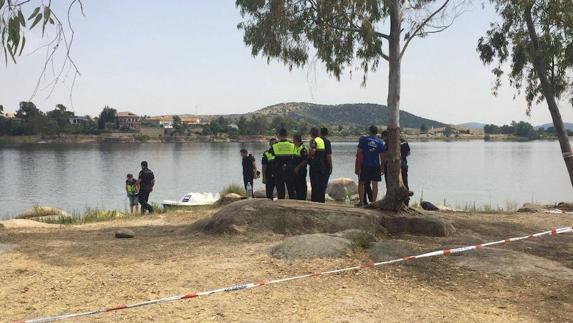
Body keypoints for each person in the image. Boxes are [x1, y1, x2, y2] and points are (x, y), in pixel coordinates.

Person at [356, 126, 386, 206]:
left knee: (361, 182)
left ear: (369, 131)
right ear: (377, 132)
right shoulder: (380, 142)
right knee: (375, 184)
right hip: (375, 165)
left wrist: (357, 166)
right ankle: (373, 203)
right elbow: (382, 157)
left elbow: (359, 153)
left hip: (365, 165)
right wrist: (382, 167)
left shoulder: (363, 140)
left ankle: (361, 202)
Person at [271, 128, 296, 199]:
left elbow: (272, 158)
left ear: (279, 135)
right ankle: (293, 205)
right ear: (287, 135)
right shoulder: (292, 145)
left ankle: (281, 205)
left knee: (280, 192)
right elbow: (295, 157)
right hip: (289, 170)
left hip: (278, 170)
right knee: (291, 190)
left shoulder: (275, 146)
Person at [309, 127, 328, 203]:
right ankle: (321, 201)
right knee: (321, 184)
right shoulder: (321, 140)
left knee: (314, 184)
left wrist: (309, 154)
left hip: (314, 165)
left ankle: (314, 201)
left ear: (311, 134)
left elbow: (313, 151)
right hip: (321, 165)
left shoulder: (314, 141)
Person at [293, 134, 308, 200]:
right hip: (296, 171)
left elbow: (305, 160)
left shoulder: (303, 148)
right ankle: (298, 199)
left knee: (302, 186)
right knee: (296, 186)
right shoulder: (296, 147)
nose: (292, 140)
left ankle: (302, 199)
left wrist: (298, 167)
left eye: (293, 139)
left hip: (301, 171)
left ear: (296, 139)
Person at [400, 136, 411, 206]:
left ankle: (399, 201)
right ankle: (406, 202)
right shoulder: (404, 141)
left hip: (395, 166)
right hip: (404, 164)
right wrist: (403, 157)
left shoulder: (392, 141)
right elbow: (409, 153)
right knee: (405, 182)